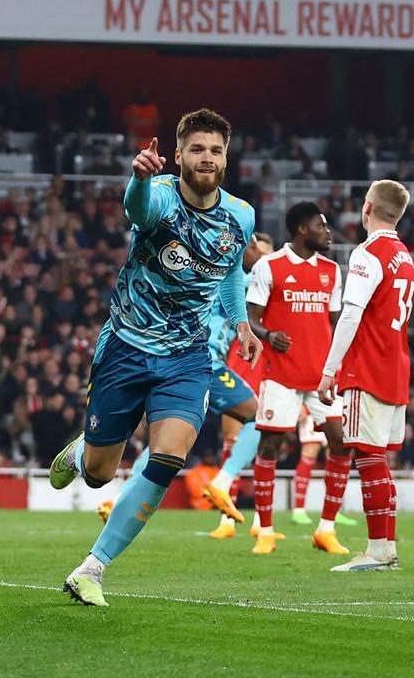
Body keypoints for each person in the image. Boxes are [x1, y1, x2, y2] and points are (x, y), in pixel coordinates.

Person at [48, 109, 261, 607]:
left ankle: (91, 569)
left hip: (187, 355)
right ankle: (81, 454)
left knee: (169, 456)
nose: (207, 159)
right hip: (126, 346)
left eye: (216, 150)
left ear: (226, 157)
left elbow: (230, 270)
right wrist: (138, 179)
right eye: (197, 149)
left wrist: (241, 322)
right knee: (101, 473)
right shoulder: (161, 194)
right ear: (180, 155)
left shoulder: (241, 214)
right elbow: (137, 211)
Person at [107, 232, 272, 538]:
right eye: (254, 249)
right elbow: (269, 280)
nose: (259, 257)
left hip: (180, 361)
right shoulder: (237, 280)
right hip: (204, 363)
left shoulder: (213, 273)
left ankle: (117, 500)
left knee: (167, 442)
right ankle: (222, 483)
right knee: (257, 417)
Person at [319, 179, 414, 572]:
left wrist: (329, 371)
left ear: (367, 207)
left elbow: (351, 313)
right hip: (396, 366)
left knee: (368, 456)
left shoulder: (367, 254)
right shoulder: (405, 256)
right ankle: (386, 547)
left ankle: (378, 549)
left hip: (368, 366)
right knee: (378, 458)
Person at [246, 202, 353, 555]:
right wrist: (268, 334)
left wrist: (337, 366)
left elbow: (335, 323)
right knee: (270, 447)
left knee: (341, 444)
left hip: (321, 377)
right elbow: (251, 318)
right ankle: (264, 529)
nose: (328, 232)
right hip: (281, 374)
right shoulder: (269, 266)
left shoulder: (331, 270)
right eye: (321, 226)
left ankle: (326, 529)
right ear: (302, 230)